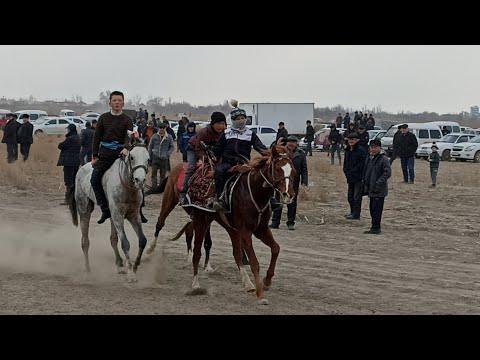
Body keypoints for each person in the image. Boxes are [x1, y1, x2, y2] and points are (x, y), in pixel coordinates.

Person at [91, 91, 134, 224]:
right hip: (105, 155)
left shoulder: (128, 119)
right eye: (114, 100)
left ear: (123, 103)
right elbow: (96, 138)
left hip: (121, 155)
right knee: (94, 179)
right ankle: (105, 209)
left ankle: (139, 209)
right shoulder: (103, 118)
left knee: (138, 177)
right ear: (110, 103)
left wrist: (126, 148)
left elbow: (129, 136)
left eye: (119, 100)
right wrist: (95, 156)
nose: (117, 103)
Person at [212, 107, 267, 212]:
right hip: (227, 163)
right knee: (219, 171)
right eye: (238, 118)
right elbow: (218, 149)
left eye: (243, 118)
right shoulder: (226, 133)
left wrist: (270, 154)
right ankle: (220, 199)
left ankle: (271, 201)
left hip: (244, 163)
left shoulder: (251, 134)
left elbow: (261, 148)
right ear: (233, 120)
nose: (241, 120)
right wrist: (212, 154)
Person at [178, 112, 227, 206]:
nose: (221, 126)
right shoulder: (203, 132)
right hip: (193, 148)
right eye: (218, 123)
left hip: (211, 151)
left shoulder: (224, 133)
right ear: (213, 123)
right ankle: (183, 194)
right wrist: (205, 158)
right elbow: (198, 149)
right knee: (191, 167)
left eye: (223, 123)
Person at [269, 135, 308, 230]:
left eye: (293, 142)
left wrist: (304, 180)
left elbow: (304, 168)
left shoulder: (301, 153)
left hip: (293, 181)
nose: (291, 144)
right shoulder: (281, 152)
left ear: (296, 143)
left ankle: (290, 223)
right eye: (290, 142)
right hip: (281, 181)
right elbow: (272, 151)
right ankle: (275, 222)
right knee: (278, 200)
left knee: (292, 202)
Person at [362, 139, 391, 235]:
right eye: (372, 147)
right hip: (371, 188)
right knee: (372, 209)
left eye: (375, 147)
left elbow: (387, 173)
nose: (373, 149)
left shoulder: (384, 159)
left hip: (379, 189)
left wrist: (378, 183)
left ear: (380, 148)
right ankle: (374, 227)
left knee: (377, 210)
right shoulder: (370, 158)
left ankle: (376, 228)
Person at [145, 123, 174, 195]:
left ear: (165, 128)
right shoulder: (154, 136)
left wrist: (167, 153)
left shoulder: (169, 137)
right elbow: (150, 146)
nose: (161, 129)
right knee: (154, 173)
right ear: (158, 128)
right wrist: (150, 155)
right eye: (160, 128)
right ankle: (154, 187)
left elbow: (172, 147)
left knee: (162, 174)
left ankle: (161, 188)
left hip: (164, 159)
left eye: (163, 128)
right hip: (155, 157)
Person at [343, 132, 367, 220]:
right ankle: (352, 212)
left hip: (358, 177)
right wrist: (346, 171)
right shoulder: (347, 150)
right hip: (350, 178)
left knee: (357, 197)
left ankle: (356, 214)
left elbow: (362, 164)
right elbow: (345, 163)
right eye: (349, 139)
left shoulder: (361, 151)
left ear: (357, 140)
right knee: (350, 196)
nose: (351, 141)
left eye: (353, 139)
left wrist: (354, 172)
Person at [57, 124, 81, 205]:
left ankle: (68, 200)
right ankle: (74, 199)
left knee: (68, 182)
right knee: (74, 181)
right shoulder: (78, 137)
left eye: (68, 129)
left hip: (69, 162)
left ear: (70, 130)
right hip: (76, 162)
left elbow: (60, 146)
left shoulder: (70, 138)